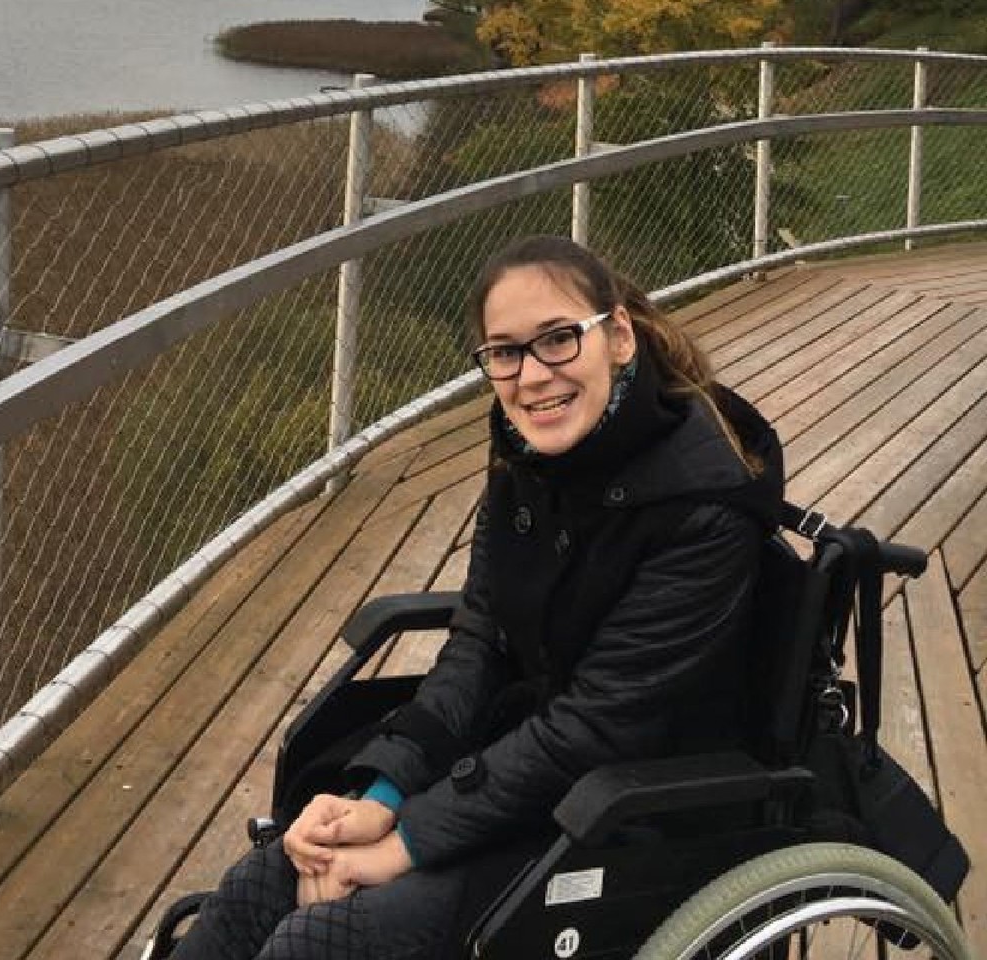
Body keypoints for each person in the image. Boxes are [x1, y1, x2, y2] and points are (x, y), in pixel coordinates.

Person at [171, 235, 785, 959]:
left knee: (322, 942)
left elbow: (600, 726)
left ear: (618, 336)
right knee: (263, 884)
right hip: (526, 771)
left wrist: (406, 844)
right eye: (506, 353)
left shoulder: (703, 507)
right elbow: (480, 643)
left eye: (558, 339)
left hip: (635, 811)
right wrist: (381, 798)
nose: (533, 376)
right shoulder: (526, 459)